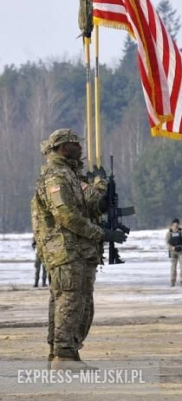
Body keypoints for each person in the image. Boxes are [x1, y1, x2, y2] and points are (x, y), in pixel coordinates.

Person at [30, 128, 127, 370]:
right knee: (70, 300)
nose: (81, 148)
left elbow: (89, 208)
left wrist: (101, 191)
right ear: (63, 147)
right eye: (75, 144)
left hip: (78, 250)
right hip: (66, 250)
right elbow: (66, 216)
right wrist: (101, 233)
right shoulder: (57, 177)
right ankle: (63, 355)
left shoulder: (70, 175)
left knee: (78, 301)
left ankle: (67, 353)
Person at [166, 218, 182, 286]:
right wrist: (172, 248)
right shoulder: (169, 232)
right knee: (173, 267)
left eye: (177, 224)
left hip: (181, 251)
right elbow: (167, 243)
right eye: (174, 224)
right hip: (173, 252)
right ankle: (172, 281)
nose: (175, 226)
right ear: (172, 225)